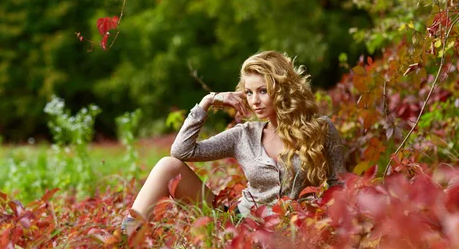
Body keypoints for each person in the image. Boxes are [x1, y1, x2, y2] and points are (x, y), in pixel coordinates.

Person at [121, 51, 346, 234]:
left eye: (263, 91)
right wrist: (206, 102)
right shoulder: (243, 135)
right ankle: (126, 241)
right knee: (166, 165)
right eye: (249, 92)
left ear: (282, 90)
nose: (254, 100)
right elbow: (182, 151)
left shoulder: (321, 129)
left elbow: (339, 184)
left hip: (296, 227)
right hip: (240, 223)